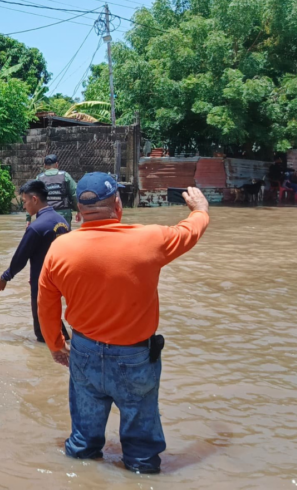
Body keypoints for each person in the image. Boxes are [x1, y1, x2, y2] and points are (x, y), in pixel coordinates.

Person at [38, 173, 210, 474]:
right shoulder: (150, 239)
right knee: (142, 453)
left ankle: (79, 478)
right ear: (117, 204)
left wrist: (55, 345)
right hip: (135, 358)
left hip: (84, 352)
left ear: (79, 213)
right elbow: (190, 232)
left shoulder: (59, 249)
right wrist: (200, 210)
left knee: (83, 443)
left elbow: (46, 306)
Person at [0, 179, 72, 343]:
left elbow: (20, 257)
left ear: (34, 199)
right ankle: (68, 346)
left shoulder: (36, 228)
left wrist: (5, 277)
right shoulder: (62, 221)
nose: (24, 206)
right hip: (63, 279)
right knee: (54, 318)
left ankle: (52, 363)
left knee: (42, 330)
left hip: (43, 281)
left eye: (24, 201)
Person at [36, 154, 78, 226]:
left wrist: (28, 218)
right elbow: (75, 194)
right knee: (64, 236)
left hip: (45, 215)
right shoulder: (65, 175)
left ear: (45, 165)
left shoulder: (39, 178)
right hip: (63, 215)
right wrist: (78, 210)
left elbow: (33, 198)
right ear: (57, 164)